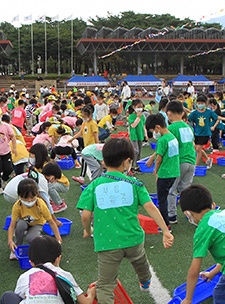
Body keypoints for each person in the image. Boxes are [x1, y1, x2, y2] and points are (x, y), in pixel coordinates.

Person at [77, 138, 173, 304]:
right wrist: (165, 231)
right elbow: (150, 207)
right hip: (133, 239)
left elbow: (85, 215)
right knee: (140, 261)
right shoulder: (134, 183)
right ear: (128, 162)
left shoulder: (94, 185)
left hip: (107, 243)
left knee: (105, 284)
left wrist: (87, 229)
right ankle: (145, 280)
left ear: (103, 162)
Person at [0, 235, 96, 304]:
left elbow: (20, 295)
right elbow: (85, 302)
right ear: (58, 259)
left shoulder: (25, 276)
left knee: (7, 296)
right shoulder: (65, 275)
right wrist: (91, 292)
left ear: (31, 262)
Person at [6, 178, 60, 259]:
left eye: (32, 197)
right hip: (24, 222)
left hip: (37, 224)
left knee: (30, 238)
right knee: (20, 226)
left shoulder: (41, 204)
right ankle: (16, 247)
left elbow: (51, 222)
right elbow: (12, 226)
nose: (29, 200)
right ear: (19, 195)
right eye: (25, 198)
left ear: (37, 194)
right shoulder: (17, 206)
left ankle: (40, 239)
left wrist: (58, 239)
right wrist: (10, 241)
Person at [145, 113, 180, 226]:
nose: (154, 133)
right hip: (174, 172)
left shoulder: (162, 140)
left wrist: (156, 172)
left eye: (153, 130)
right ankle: (170, 218)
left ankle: (165, 224)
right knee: (168, 195)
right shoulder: (172, 137)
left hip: (165, 173)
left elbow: (159, 159)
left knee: (162, 200)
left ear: (157, 127)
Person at [188, 95, 219, 168]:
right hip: (197, 133)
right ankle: (208, 159)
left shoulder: (208, 112)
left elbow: (217, 117)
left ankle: (196, 166)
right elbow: (188, 118)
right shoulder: (195, 112)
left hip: (205, 133)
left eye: (202, 103)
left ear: (205, 103)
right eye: (198, 103)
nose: (200, 104)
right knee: (197, 148)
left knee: (198, 149)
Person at [127, 99, 147, 169]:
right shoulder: (131, 116)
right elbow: (133, 125)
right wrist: (138, 117)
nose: (140, 108)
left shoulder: (143, 116)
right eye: (138, 106)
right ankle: (132, 165)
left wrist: (145, 134)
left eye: (141, 107)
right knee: (136, 151)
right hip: (134, 136)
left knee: (139, 151)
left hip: (140, 135)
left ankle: (137, 165)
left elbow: (144, 126)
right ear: (133, 107)